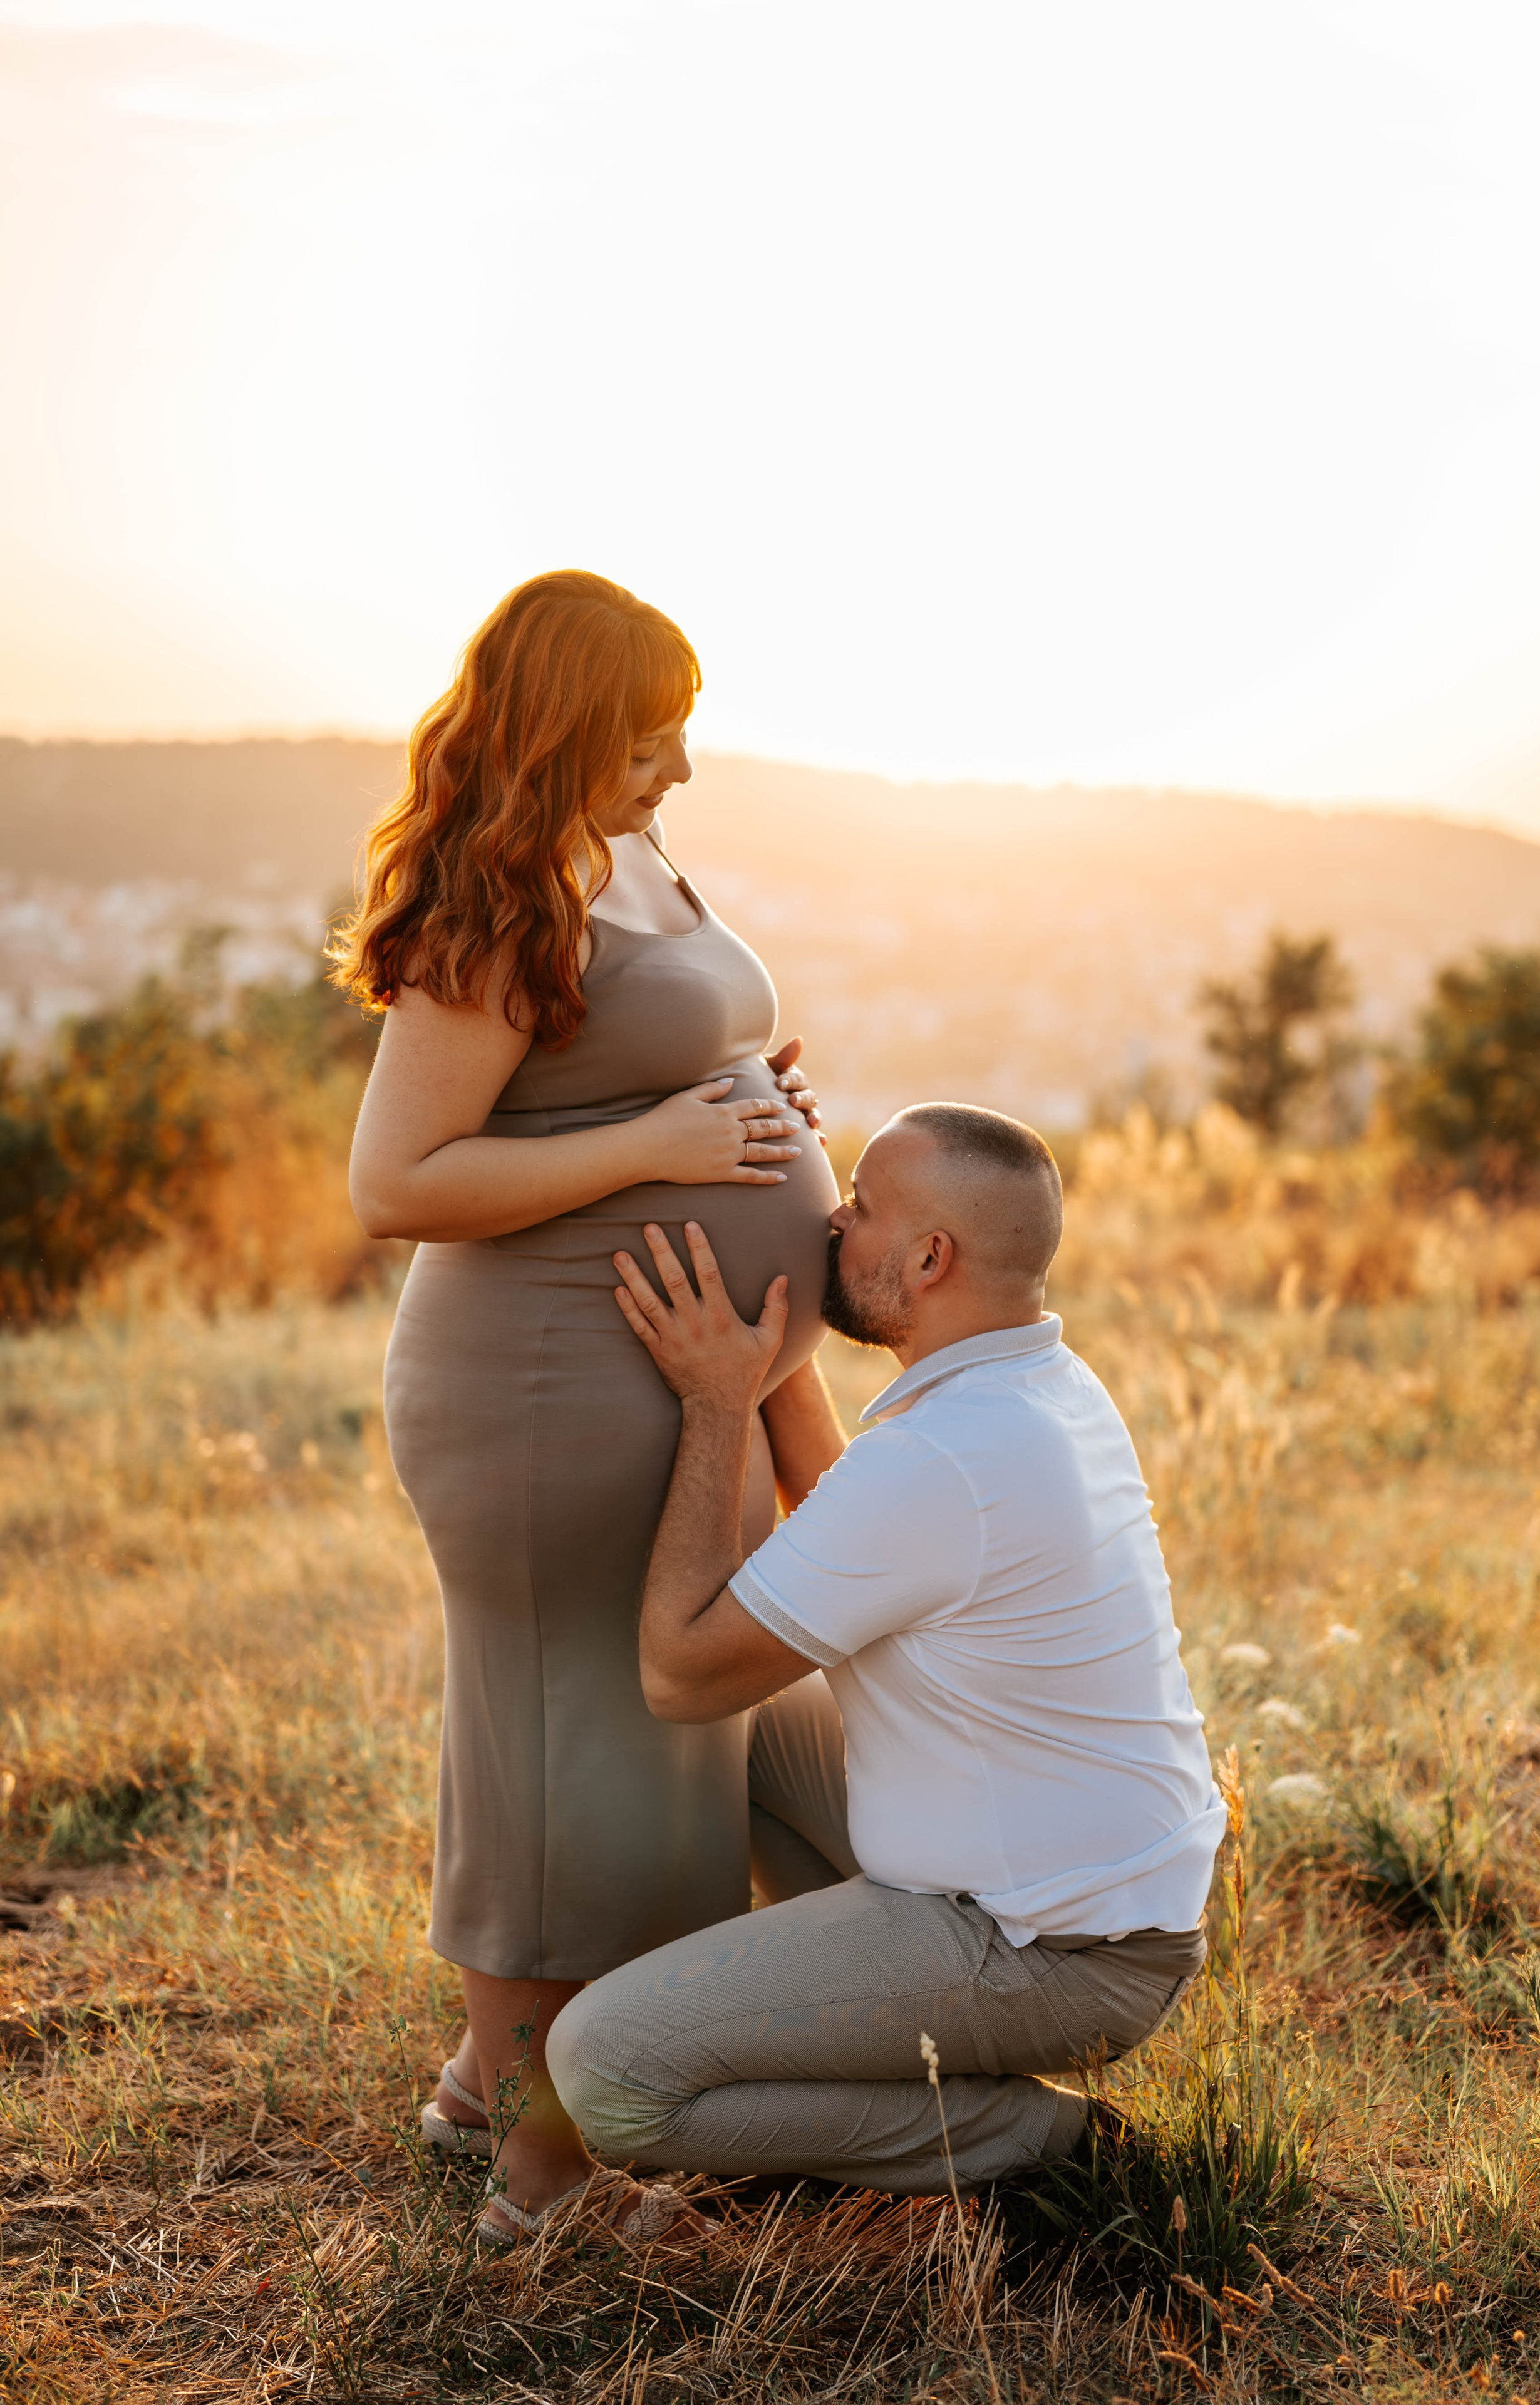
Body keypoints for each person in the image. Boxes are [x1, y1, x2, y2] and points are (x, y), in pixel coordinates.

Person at [336, 572, 847, 2244]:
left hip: (663, 1373)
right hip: (544, 1387)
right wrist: (659, 1144)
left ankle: (494, 2090)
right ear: (568, 732)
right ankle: (541, 2192)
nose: (682, 766)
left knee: (642, 1746)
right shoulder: (496, 906)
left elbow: (630, 1059)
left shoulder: (622, 856)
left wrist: (747, 1098)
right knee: (565, 1757)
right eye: (651, 736)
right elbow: (395, 1179)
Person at [547, 1102, 1226, 2200]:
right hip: (1090, 1896)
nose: (829, 1221)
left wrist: (717, 1403)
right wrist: (775, 1345)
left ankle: (1034, 2140)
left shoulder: (947, 1457)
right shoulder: (1035, 1385)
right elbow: (838, 1514)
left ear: (928, 1258)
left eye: (858, 1206)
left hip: (1054, 1952)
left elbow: (681, 1673)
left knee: (605, 2077)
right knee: (760, 1726)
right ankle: (841, 2054)